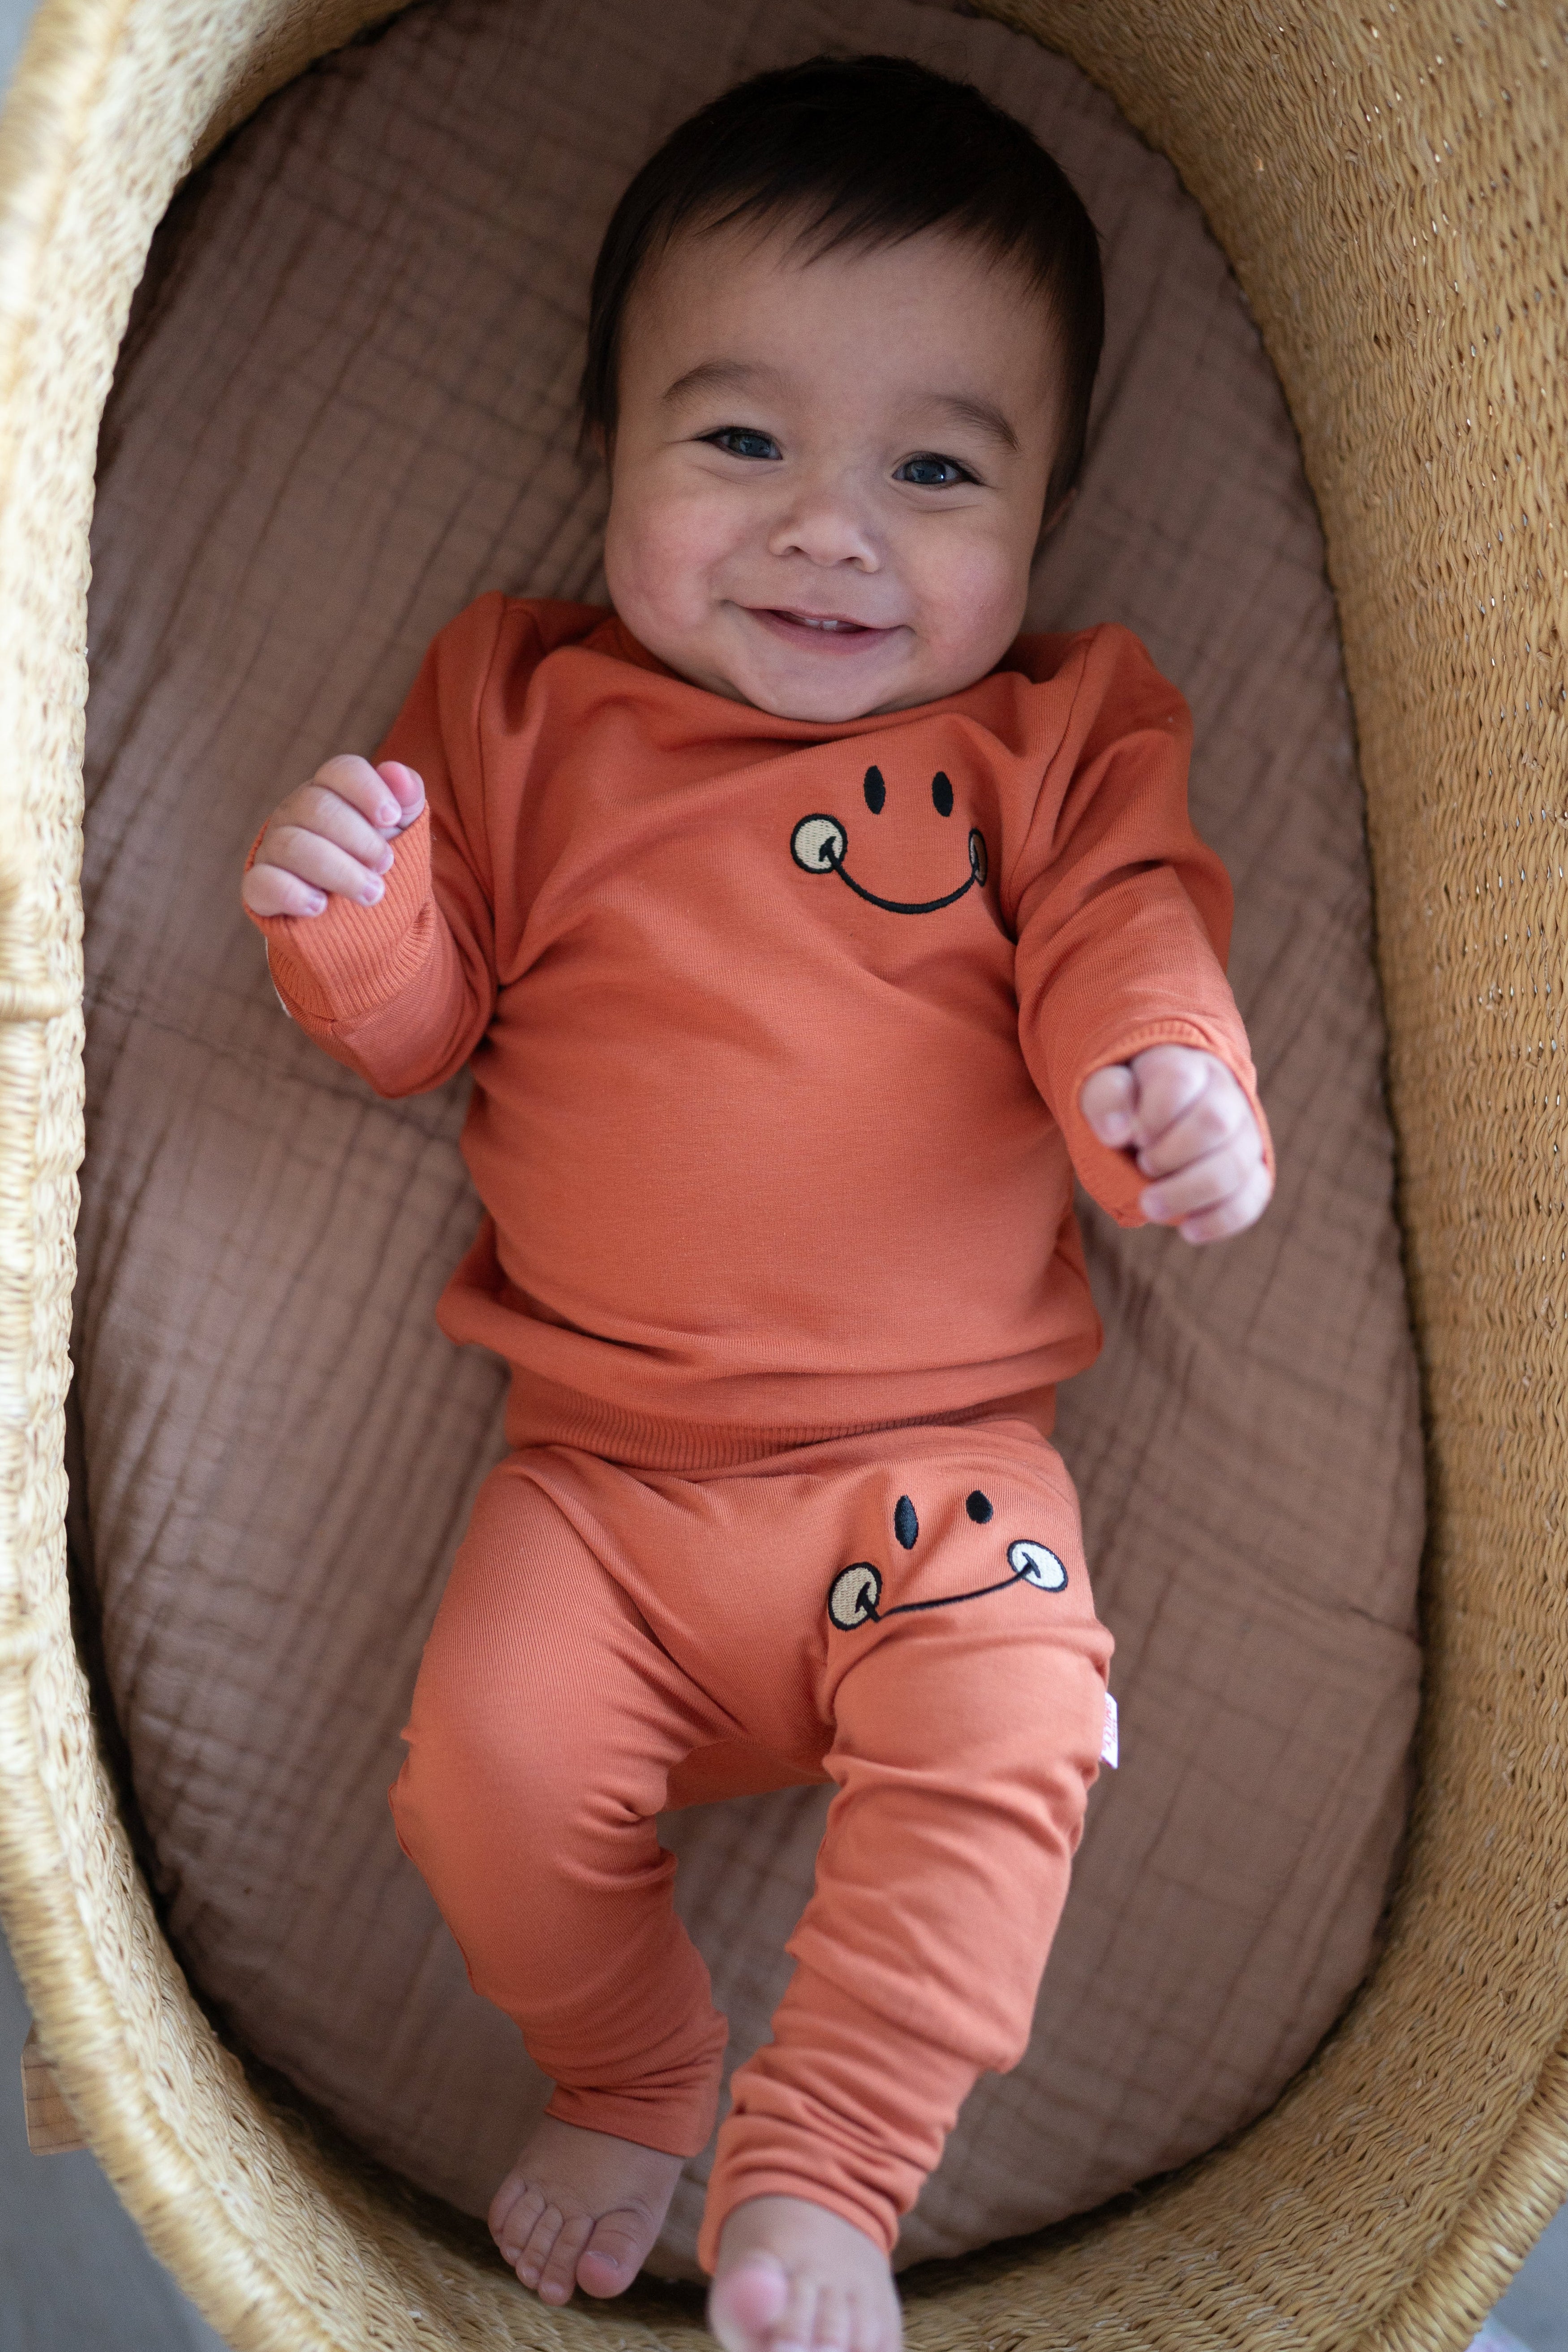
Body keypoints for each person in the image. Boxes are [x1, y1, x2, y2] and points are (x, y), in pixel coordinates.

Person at [240, 53, 1272, 2352]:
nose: (832, 530)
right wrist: (356, 918)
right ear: (603, 448)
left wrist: (1165, 1086)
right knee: (481, 1773)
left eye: (934, 470)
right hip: (598, 1489)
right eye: (739, 444)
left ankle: (828, 2171)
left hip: (942, 1477)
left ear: (1043, 521)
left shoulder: (1058, 737)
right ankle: (633, 2068)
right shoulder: (523, 706)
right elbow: (424, 1022)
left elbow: (1130, 931)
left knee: (1012, 1732)